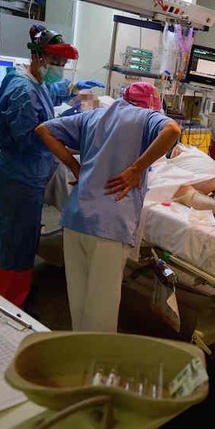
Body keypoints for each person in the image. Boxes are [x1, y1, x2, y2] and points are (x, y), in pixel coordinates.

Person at [35, 82, 181, 332]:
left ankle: (80, 365)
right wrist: (137, 169)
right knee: (101, 317)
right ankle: (97, 369)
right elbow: (172, 130)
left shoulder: (93, 116)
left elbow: (43, 130)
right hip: (109, 229)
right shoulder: (147, 117)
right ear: (151, 104)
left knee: (79, 309)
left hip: (75, 222)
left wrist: (74, 166)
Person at [0, 24, 103, 308]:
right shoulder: (22, 92)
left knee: (23, 239)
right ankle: (9, 303)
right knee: (16, 241)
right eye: (57, 63)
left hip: (28, 177)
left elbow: (50, 91)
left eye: (64, 64)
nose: (60, 69)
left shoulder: (31, 81)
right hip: (19, 177)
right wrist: (67, 132)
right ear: (39, 57)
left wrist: (74, 90)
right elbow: (30, 139)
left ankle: (17, 293)